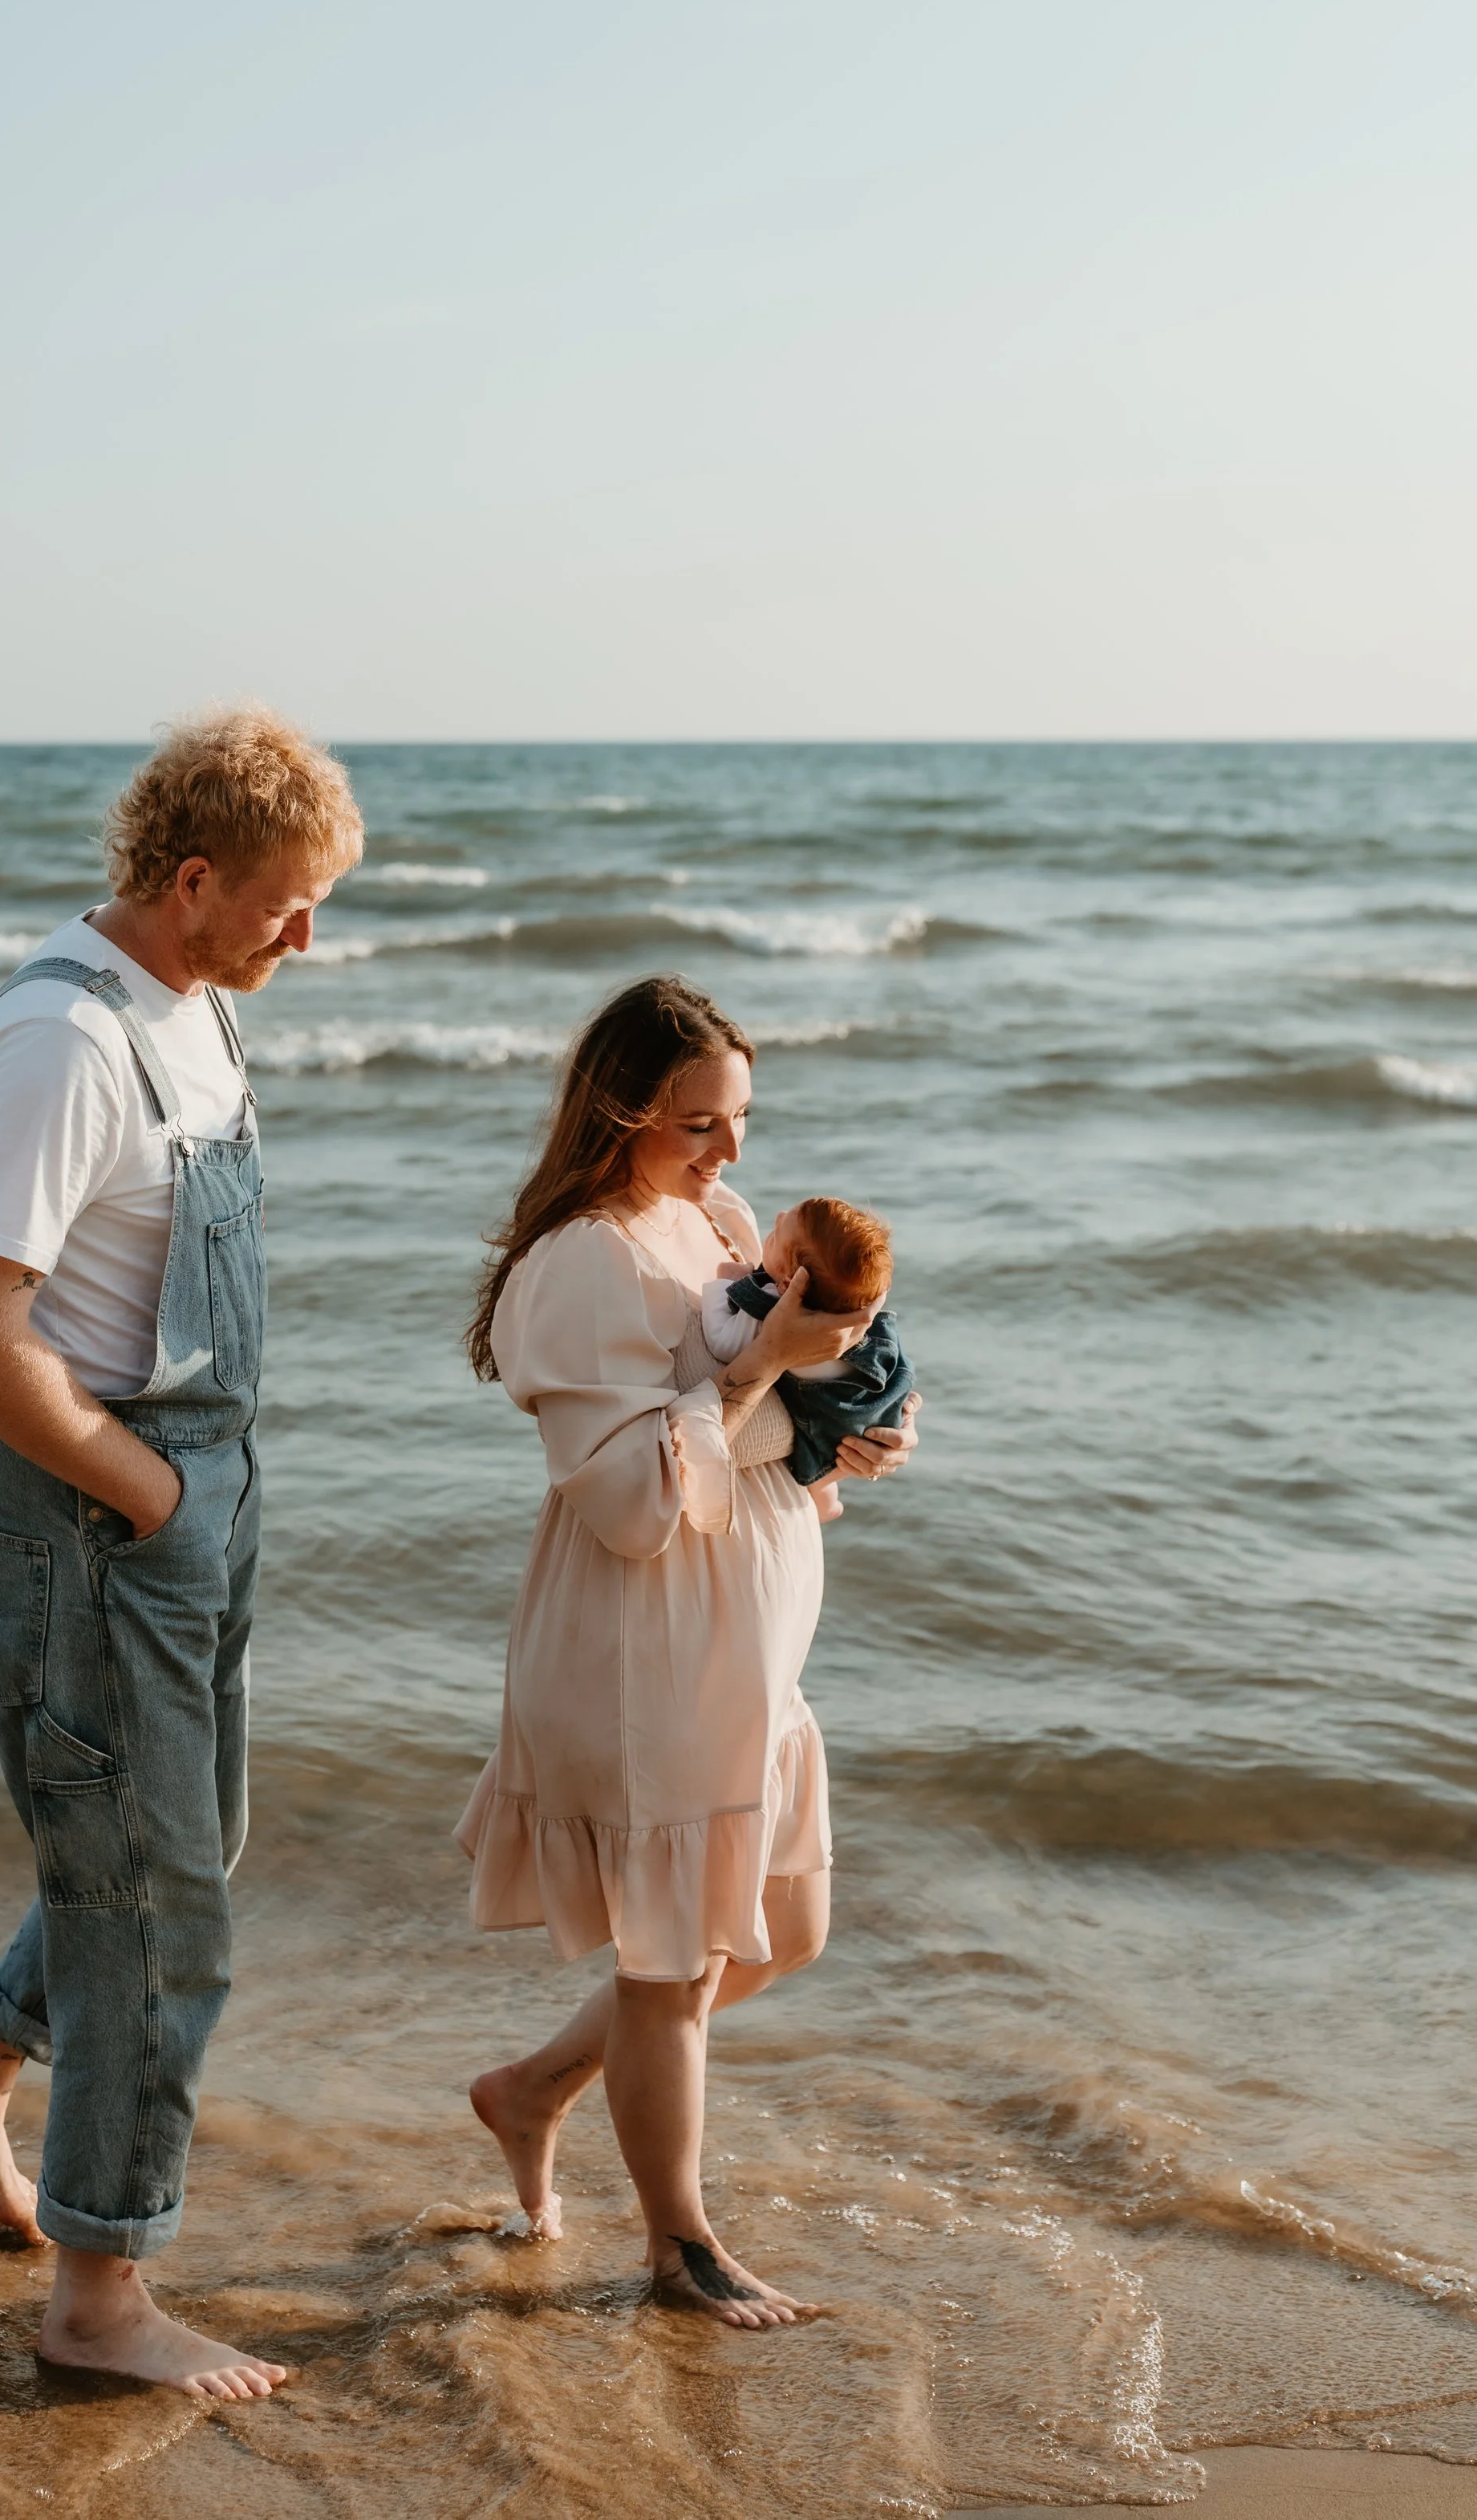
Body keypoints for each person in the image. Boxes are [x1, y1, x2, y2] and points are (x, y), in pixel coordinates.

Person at [0, 709, 363, 2400]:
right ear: (188, 879)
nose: (306, 937)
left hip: (187, 1491)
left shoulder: (192, 1010)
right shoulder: (63, 1045)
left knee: (179, 1846)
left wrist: (197, 1500)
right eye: (287, 904)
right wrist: (147, 1501)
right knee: (154, 1908)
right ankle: (97, 2302)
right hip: (89, 1507)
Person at [455, 977, 920, 2328]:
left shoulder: (709, 1220)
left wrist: (859, 1433)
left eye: (741, 1122)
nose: (733, 1158)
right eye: (701, 1125)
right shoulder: (579, 1262)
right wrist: (773, 1371)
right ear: (622, 1109)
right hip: (642, 1644)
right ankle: (681, 2248)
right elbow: (635, 1500)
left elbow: (772, 1426)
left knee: (786, 1929)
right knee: (675, 1966)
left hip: (746, 1646)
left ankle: (532, 2088)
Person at [698, 1193, 914, 1518]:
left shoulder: (770, 1309)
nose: (780, 1214)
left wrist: (723, 1283)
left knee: (818, 1462)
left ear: (788, 1284)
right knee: (832, 1466)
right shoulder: (841, 1305)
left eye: (773, 1236)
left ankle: (826, 1501)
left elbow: (722, 1343)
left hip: (829, 1414)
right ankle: (827, 1500)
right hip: (874, 1397)